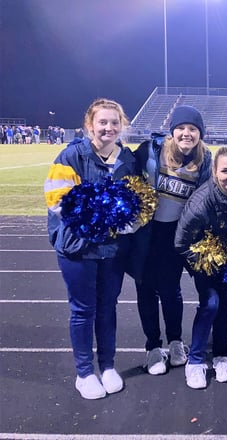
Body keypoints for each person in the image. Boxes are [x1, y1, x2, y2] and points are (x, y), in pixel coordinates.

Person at [44, 98, 137, 399]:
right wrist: (101, 219)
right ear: (89, 125)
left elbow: (138, 201)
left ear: (122, 126)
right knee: (83, 309)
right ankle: (84, 373)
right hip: (77, 247)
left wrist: (128, 223)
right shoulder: (71, 155)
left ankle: (108, 366)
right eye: (102, 122)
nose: (108, 128)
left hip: (111, 249)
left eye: (114, 122)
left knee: (108, 306)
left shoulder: (128, 160)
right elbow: (58, 201)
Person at [131, 105, 212, 376]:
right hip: (145, 233)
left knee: (170, 290)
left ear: (200, 134)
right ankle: (153, 347)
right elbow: (125, 177)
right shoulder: (150, 151)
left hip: (175, 235)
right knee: (145, 289)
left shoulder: (205, 160)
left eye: (193, 129)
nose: (187, 133)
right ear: (172, 130)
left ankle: (176, 342)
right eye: (182, 128)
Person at [175, 146, 227, 389]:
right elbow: (180, 242)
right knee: (210, 303)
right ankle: (196, 360)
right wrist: (205, 262)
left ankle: (221, 355)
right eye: (225, 170)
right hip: (203, 259)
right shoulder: (201, 202)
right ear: (214, 172)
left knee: (225, 301)